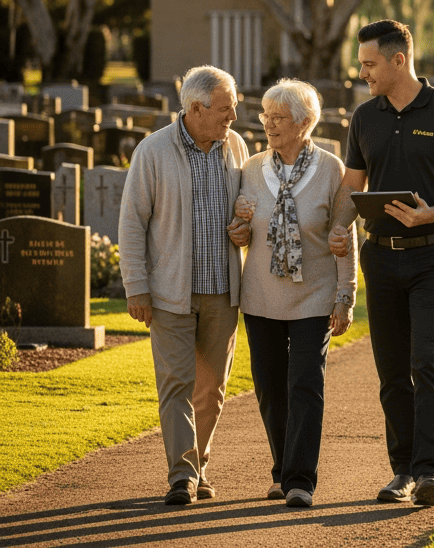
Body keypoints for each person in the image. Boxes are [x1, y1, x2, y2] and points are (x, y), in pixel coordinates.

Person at [330, 19, 434, 508]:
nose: (364, 74)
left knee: (428, 358)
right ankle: (401, 472)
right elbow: (351, 186)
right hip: (381, 259)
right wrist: (339, 227)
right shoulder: (364, 117)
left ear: (400, 60)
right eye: (362, 65)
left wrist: (430, 214)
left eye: (370, 64)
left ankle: (429, 472)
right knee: (393, 370)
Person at [118, 66, 251, 507]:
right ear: (196, 108)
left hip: (222, 290)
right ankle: (182, 476)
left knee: (211, 387)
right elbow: (132, 224)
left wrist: (243, 230)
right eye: (226, 109)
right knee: (176, 382)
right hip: (170, 291)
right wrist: (136, 286)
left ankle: (200, 466)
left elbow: (245, 214)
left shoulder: (235, 146)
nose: (233, 116)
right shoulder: (153, 151)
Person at [236, 79, 357, 508]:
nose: (269, 124)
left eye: (279, 117)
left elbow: (343, 235)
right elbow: (244, 229)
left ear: (304, 123)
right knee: (270, 386)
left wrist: (346, 295)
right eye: (266, 115)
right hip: (261, 297)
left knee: (305, 383)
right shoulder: (251, 169)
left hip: (315, 295)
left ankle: (301, 479)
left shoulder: (332, 169)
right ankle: (281, 469)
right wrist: (238, 231)